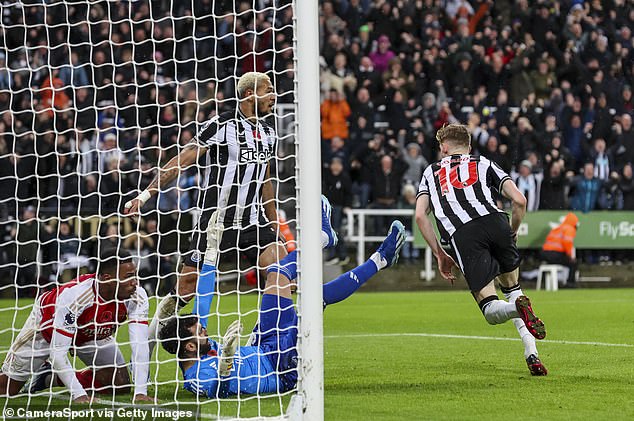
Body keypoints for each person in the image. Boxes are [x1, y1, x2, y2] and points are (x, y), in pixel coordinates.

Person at [159, 198, 406, 398]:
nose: (205, 333)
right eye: (200, 332)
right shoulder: (195, 381)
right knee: (306, 293)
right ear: (189, 346)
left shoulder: (201, 347)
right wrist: (224, 367)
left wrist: (211, 253)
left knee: (277, 276)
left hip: (262, 343)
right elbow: (219, 391)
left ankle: (374, 257)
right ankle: (342, 246)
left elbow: (203, 300)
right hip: (280, 367)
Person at [124, 72, 287, 354]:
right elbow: (182, 161)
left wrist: (277, 229)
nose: (274, 96)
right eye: (268, 90)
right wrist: (146, 193)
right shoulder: (221, 126)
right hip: (215, 223)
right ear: (250, 94)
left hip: (251, 222)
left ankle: (260, 347)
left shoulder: (270, 133)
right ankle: (145, 349)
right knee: (186, 287)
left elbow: (266, 183)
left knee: (279, 269)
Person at [415, 124, 548, 376]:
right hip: (497, 221)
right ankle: (532, 354)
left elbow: (421, 216)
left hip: (463, 234)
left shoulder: (431, 171)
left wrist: (439, 254)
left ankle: (516, 309)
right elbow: (519, 200)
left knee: (490, 308)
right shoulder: (483, 163)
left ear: (443, 147)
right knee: (513, 289)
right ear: (469, 146)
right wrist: (512, 231)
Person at [0, 248, 152, 403]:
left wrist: (141, 392)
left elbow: (140, 344)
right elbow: (58, 353)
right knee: (5, 390)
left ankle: (47, 377)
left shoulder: (137, 296)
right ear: (107, 278)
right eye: (129, 277)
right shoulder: (75, 297)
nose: (135, 282)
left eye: (135, 275)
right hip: (48, 328)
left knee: (119, 383)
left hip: (89, 333)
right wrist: (79, 395)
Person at [541, 212, 579, 287]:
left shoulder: (558, 228)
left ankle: (544, 282)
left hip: (545, 253)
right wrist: (570, 256)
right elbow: (567, 242)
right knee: (573, 263)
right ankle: (570, 284)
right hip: (555, 253)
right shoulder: (569, 228)